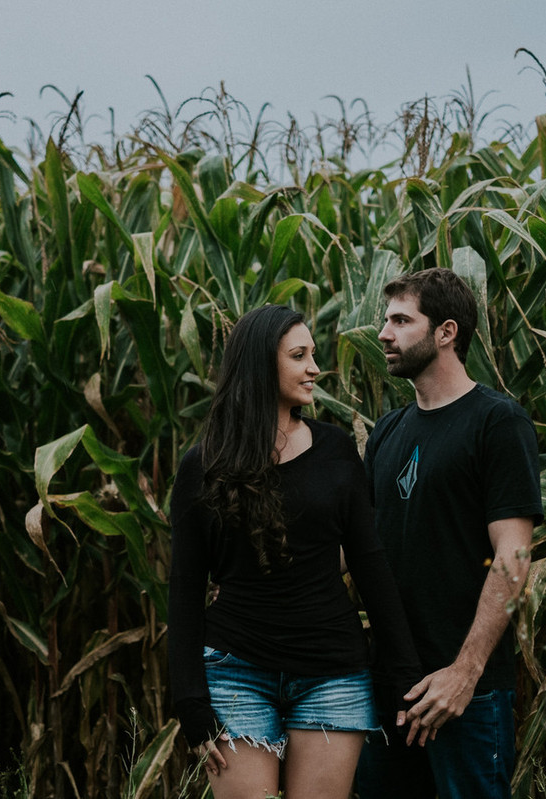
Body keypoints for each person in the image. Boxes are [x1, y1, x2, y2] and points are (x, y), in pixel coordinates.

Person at [167, 304, 421, 799]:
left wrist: (404, 670)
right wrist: (190, 702)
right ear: (262, 365)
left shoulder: (335, 450)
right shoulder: (203, 465)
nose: (314, 368)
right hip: (235, 671)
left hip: (333, 673)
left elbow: (370, 566)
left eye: (313, 355)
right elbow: (184, 588)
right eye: (299, 356)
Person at [356, 268, 543, 799]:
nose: (384, 334)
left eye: (400, 320)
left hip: (467, 696)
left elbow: (514, 554)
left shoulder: (496, 422)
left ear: (446, 332)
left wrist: (465, 673)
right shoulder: (388, 431)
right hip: (390, 688)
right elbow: (358, 550)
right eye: (384, 321)